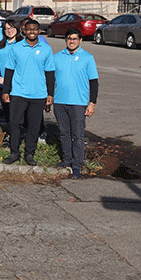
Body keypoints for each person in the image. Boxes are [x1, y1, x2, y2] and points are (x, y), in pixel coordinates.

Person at [1, 19, 55, 166]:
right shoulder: (16, 48)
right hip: (18, 92)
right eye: (29, 29)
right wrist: (6, 91)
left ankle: (29, 153)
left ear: (39, 31)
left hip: (38, 94)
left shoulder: (46, 49)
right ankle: (14, 153)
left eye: (35, 29)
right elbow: (9, 71)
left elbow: (50, 73)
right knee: (14, 123)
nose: (32, 32)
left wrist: (50, 94)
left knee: (34, 125)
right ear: (24, 31)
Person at [50, 28, 99, 179]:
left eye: (75, 39)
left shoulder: (87, 57)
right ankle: (66, 160)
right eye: (69, 38)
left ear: (80, 40)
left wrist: (92, 103)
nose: (72, 41)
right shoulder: (57, 57)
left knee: (77, 135)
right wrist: (49, 96)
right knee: (64, 134)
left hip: (78, 103)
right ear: (65, 40)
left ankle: (77, 165)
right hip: (60, 101)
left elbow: (94, 82)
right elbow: (51, 79)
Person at [0, 19, 23, 126]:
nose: (9, 31)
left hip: (16, 84)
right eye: (6, 28)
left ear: (17, 28)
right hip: (2, 83)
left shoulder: (21, 44)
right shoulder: (1, 44)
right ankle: (10, 133)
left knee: (16, 112)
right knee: (6, 110)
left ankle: (19, 134)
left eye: (12, 28)